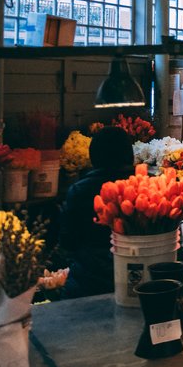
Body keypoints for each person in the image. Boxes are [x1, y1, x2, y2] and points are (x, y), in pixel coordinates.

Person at [60, 126, 135, 299]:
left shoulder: (79, 191)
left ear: (94, 156)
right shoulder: (144, 185)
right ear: (129, 154)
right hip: (136, 278)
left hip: (88, 281)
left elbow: (67, 242)